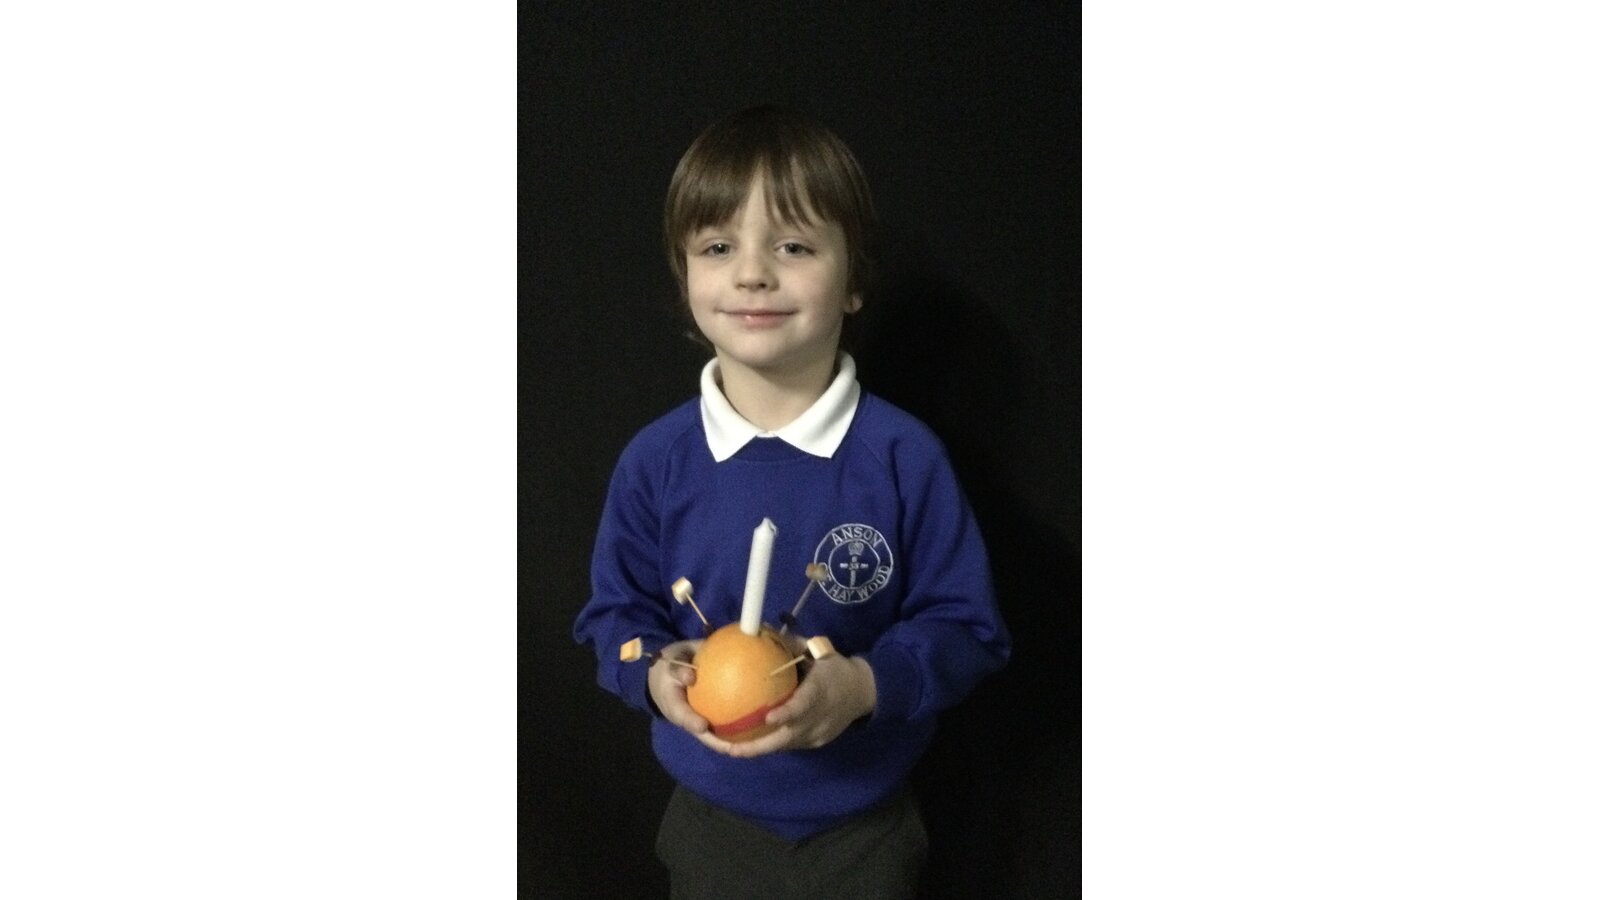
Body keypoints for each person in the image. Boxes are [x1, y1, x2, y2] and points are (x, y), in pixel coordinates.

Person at [572, 104, 1010, 899]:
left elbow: (968, 628)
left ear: (854, 281)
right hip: (711, 822)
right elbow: (613, 620)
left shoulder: (903, 457)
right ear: (684, 276)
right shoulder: (656, 462)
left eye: (794, 246)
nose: (752, 273)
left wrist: (866, 688)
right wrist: (655, 677)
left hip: (865, 826)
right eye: (718, 247)